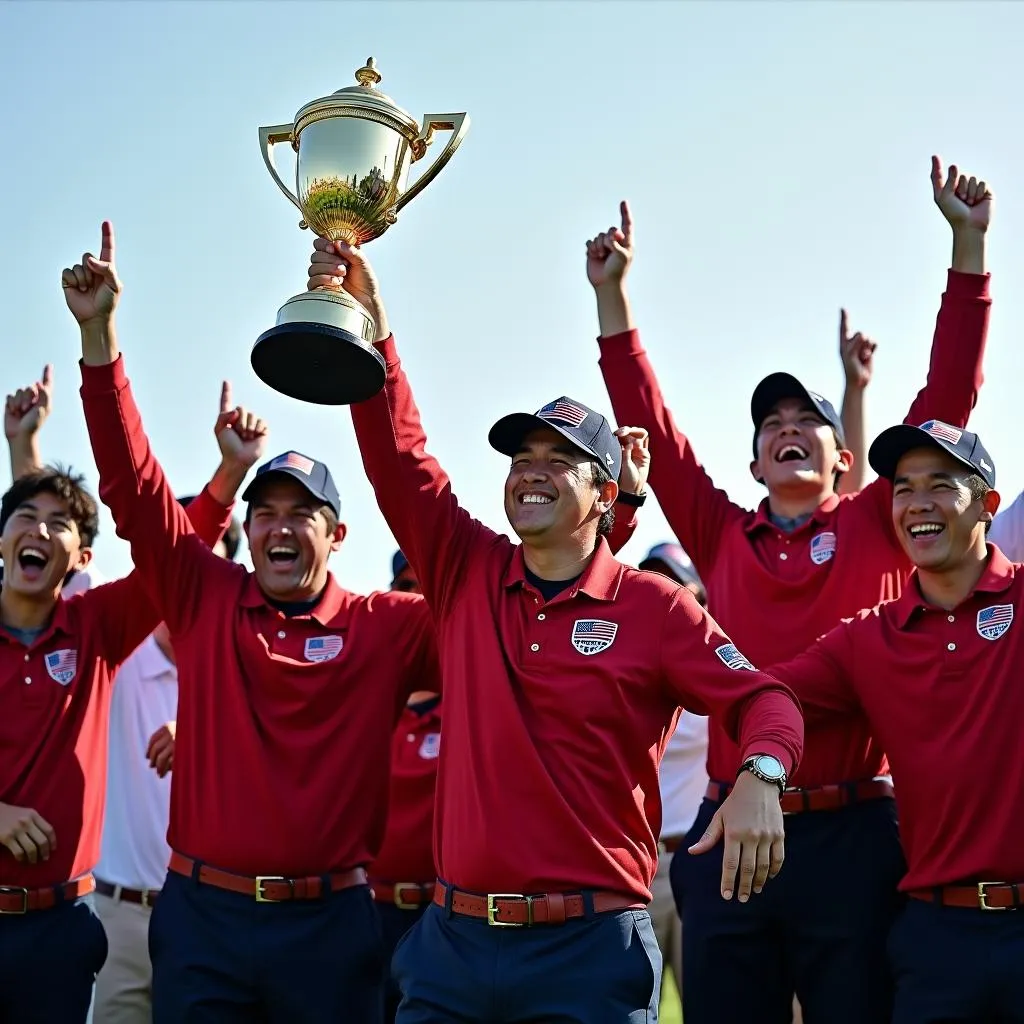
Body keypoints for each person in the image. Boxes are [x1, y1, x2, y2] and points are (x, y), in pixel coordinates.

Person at [306, 232, 804, 1023]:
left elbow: (769, 700)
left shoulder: (655, 606)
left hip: (592, 950)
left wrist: (760, 777)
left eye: (558, 459)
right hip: (454, 945)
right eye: (520, 456)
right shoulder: (466, 570)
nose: (530, 470)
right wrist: (370, 321)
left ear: (606, 493)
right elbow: (400, 455)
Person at [587, 155, 992, 1023]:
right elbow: (652, 427)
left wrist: (967, 248)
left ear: (843, 455)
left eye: (806, 419)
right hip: (732, 831)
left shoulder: (881, 519)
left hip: (853, 835)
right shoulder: (722, 532)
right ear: (754, 460)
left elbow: (946, 404)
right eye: (770, 425)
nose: (788, 431)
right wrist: (612, 299)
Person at [65, 222, 441, 1024]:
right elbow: (135, 492)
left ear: (337, 535)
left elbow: (497, 606)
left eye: (301, 514)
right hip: (205, 919)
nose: (277, 527)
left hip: (334, 923)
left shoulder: (387, 626)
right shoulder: (205, 594)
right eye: (263, 511)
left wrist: (608, 523)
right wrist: (100, 341)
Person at [5, 366, 246, 1024]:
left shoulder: (109, 631)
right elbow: (39, 532)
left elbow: (173, 555)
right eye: (25, 520)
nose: (42, 533)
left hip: (166, 917)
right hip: (107, 909)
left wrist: (230, 476)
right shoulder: (109, 633)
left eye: (61, 526)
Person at [769, 419, 1023, 1023]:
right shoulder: (868, 637)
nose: (917, 503)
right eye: (903, 488)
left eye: (940, 484)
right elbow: (767, 695)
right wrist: (759, 771)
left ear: (987, 505)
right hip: (935, 938)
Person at [368, 551, 441, 1024]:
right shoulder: (361, 698)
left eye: (425, 589)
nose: (415, 599)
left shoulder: (475, 700)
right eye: (404, 586)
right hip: (363, 915)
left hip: (442, 919)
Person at [637, 543, 710, 1013]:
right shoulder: (620, 667)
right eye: (652, 579)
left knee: (707, 1005)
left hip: (697, 858)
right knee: (624, 1005)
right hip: (633, 868)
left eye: (674, 580)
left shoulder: (718, 667)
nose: (663, 591)